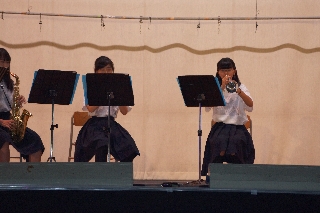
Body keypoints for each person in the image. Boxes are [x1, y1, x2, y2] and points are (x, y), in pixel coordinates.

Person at [74, 56, 140, 162]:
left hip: (111, 123)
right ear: (96, 72)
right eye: (102, 70)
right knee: (102, 143)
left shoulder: (118, 85)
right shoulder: (91, 86)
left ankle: (121, 177)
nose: (106, 72)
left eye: (109, 69)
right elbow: (90, 109)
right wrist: (103, 93)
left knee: (128, 146)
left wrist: (119, 95)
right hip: (95, 125)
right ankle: (101, 175)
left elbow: (124, 111)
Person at [201, 57, 255, 176]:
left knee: (237, 141)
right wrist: (221, 87)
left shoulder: (241, 87)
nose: (226, 73)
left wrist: (239, 91)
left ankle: (238, 174)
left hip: (237, 126)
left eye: (228, 70)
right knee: (218, 140)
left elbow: (250, 105)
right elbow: (208, 106)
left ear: (234, 71)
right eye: (222, 71)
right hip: (220, 127)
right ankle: (216, 174)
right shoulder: (215, 88)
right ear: (218, 72)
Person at [0, 48, 45, 162]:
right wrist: (1, 122)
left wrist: (17, 102)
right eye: (1, 61)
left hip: (8, 120)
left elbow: (9, 105)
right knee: (3, 140)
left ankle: (32, 177)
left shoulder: (9, 83)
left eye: (7, 62)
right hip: (1, 121)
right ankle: (5, 177)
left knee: (35, 140)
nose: (4, 65)